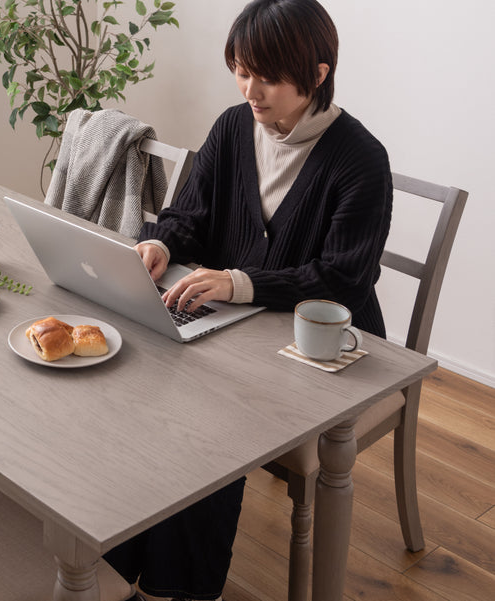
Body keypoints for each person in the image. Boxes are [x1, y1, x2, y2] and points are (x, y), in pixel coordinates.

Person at [105, 1, 393, 600]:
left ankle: (178, 589)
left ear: (317, 74)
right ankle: (113, 570)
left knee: (210, 426)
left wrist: (240, 282)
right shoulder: (234, 126)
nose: (249, 89)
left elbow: (344, 278)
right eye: (240, 69)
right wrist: (161, 243)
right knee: (134, 394)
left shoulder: (362, 159)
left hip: (322, 349)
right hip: (232, 328)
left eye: (266, 75)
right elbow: (189, 214)